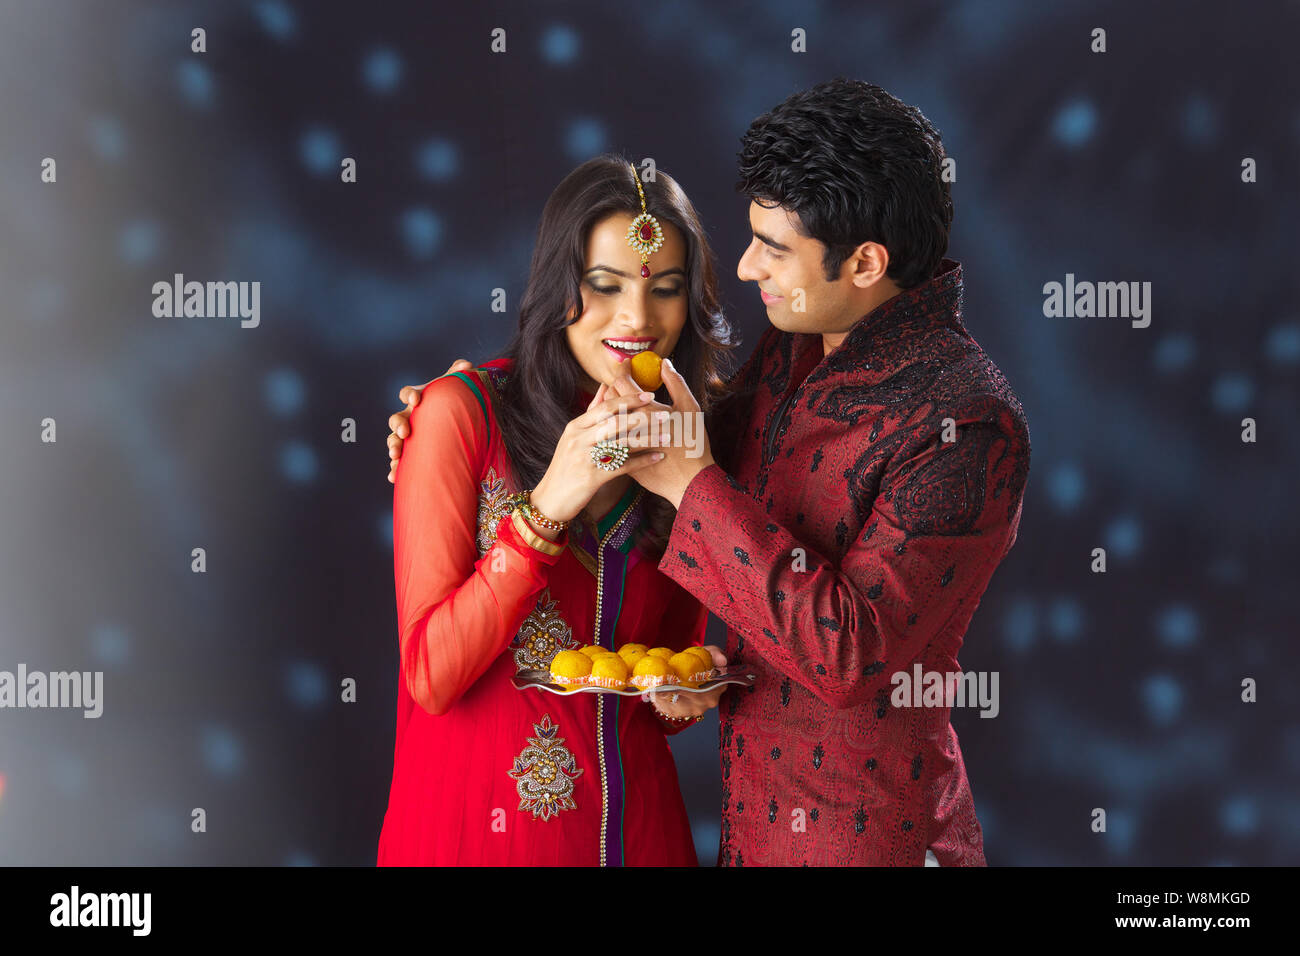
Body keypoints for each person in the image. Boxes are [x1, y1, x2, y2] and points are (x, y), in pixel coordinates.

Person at [390, 79, 1030, 866]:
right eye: (607, 285)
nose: (750, 267)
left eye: (775, 248)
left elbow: (849, 655)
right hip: (738, 837)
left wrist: (690, 487)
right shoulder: (791, 354)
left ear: (865, 262)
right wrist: (469, 405)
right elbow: (680, 469)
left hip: (866, 842)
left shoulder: (965, 423)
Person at [377, 155, 738, 866]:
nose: (638, 319)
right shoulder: (460, 417)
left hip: (640, 838)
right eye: (604, 286)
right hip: (474, 840)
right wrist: (546, 508)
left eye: (665, 290)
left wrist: (682, 696)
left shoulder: (687, 435)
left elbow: (660, 682)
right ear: (556, 288)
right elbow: (431, 675)